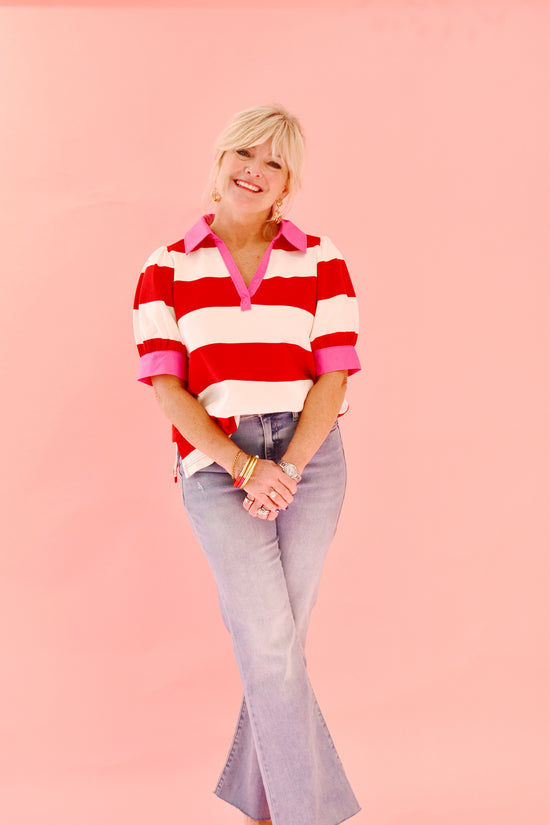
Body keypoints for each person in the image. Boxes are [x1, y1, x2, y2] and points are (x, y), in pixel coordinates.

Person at [133, 104, 362, 825]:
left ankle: (260, 807)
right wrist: (241, 466)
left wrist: (286, 467)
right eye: (246, 154)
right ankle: (305, 815)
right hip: (214, 460)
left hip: (310, 458)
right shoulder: (165, 267)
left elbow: (333, 379)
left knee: (278, 641)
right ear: (221, 158)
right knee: (269, 641)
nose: (255, 171)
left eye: (275, 162)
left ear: (289, 180)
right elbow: (169, 388)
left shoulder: (322, 260)